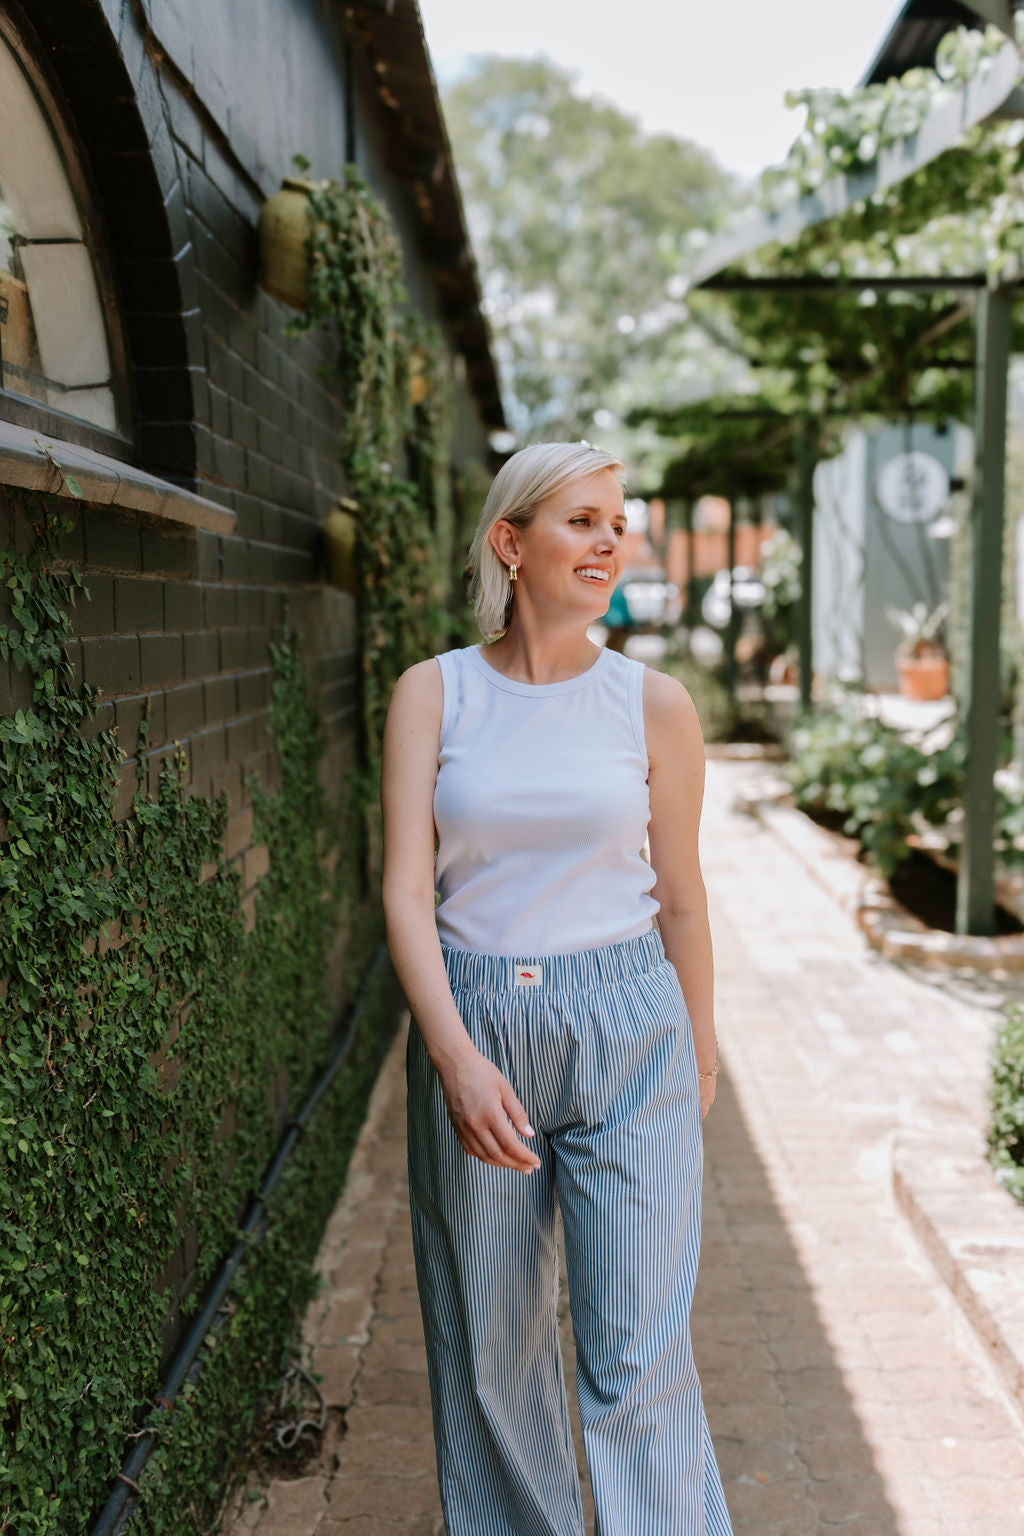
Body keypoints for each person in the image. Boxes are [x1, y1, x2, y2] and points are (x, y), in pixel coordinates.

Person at [380, 441, 734, 1536]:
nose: (607, 541)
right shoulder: (433, 694)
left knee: (638, 1353)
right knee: (492, 1349)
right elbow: (402, 893)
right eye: (580, 520)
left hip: (631, 1025)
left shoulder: (653, 704)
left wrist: (700, 1048)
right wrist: (451, 1054)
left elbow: (680, 895)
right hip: (477, 1022)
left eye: (614, 522)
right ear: (510, 541)